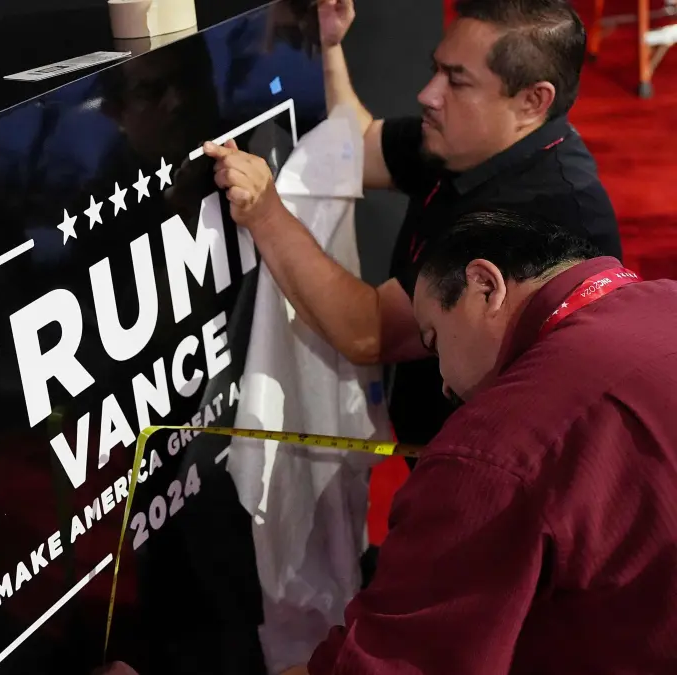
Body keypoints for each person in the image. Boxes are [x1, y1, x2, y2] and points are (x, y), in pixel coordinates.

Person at [96, 209, 677, 674]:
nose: (443, 382)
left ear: (484, 286)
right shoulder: (665, 298)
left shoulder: (495, 448)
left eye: (432, 339)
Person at [203, 0, 621, 456]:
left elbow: (368, 331)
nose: (428, 94)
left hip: (490, 471)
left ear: (532, 101)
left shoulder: (539, 216)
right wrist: (328, 47)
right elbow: (358, 147)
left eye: (457, 80)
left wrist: (266, 214)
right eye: (435, 69)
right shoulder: (472, 141)